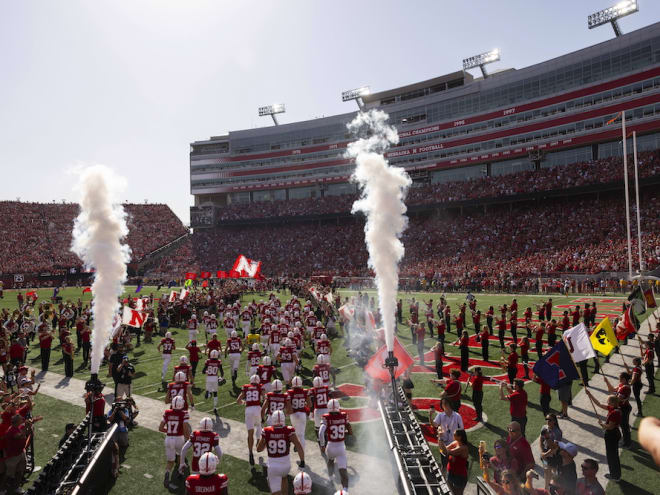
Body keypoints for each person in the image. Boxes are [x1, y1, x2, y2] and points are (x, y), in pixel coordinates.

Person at [256, 410, 305, 495]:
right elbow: (299, 446)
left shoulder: (266, 430)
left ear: (273, 420)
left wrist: (266, 442)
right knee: (284, 477)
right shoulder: (289, 430)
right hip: (285, 466)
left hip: (273, 467)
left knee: (275, 491)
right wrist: (302, 461)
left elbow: (258, 449)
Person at [585, 390, 621, 481]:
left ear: (612, 403)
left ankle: (615, 476)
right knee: (613, 455)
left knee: (612, 456)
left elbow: (610, 427)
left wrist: (602, 424)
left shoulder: (614, 413)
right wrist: (590, 394)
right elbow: (599, 404)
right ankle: (615, 474)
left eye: (608, 401)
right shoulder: (614, 409)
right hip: (614, 434)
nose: (607, 403)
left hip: (612, 435)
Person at [318, 399, 352, 493]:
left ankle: (330, 479)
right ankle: (345, 490)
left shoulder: (326, 417)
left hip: (331, 446)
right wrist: (350, 434)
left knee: (330, 461)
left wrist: (322, 445)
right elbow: (349, 426)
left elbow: (321, 433)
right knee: (343, 470)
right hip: (341, 447)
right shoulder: (344, 415)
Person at [160, 395, 191, 489]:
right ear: (182, 404)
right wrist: (188, 439)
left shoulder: (167, 412)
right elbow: (185, 429)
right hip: (179, 438)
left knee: (170, 461)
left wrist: (169, 431)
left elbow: (160, 428)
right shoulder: (184, 413)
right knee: (181, 456)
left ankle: (167, 474)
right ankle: (180, 472)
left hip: (168, 439)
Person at [430, 397, 464, 468]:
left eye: (445, 403)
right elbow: (434, 424)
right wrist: (430, 415)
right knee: (444, 463)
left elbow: (462, 430)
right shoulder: (440, 415)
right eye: (442, 403)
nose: (444, 405)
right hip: (443, 444)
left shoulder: (457, 416)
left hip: (454, 444)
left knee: (454, 465)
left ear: (450, 404)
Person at [237, 374, 263, 466]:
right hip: (257, 408)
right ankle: (258, 439)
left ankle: (250, 452)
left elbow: (238, 400)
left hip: (248, 410)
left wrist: (243, 402)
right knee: (259, 425)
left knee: (250, 433)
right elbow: (264, 397)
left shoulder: (246, 387)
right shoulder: (260, 387)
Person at [603, 372, 632, 447]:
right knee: (623, 425)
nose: (619, 379)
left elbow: (618, 399)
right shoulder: (621, 385)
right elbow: (612, 390)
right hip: (622, 408)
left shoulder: (626, 388)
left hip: (624, 409)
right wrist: (607, 382)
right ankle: (626, 440)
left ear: (624, 379)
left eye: (620, 378)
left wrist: (610, 399)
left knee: (624, 426)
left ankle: (627, 443)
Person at [438, 428, 468, 495]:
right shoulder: (455, 443)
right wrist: (439, 437)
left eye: (454, 435)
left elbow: (445, 451)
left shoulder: (463, 448)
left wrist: (440, 438)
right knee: (451, 491)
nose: (453, 436)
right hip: (450, 472)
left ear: (460, 437)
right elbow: (442, 450)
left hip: (460, 476)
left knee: (458, 494)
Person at [287, 376, 311, 452]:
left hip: (293, 414)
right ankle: (302, 453)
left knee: (295, 430)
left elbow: (287, 405)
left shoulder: (289, 392)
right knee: (301, 435)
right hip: (302, 414)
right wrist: (305, 408)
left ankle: (296, 445)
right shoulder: (305, 391)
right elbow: (310, 404)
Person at [202, 350, 225, 416]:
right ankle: (215, 407)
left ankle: (208, 393)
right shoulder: (218, 362)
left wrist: (207, 372)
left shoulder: (208, 361)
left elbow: (203, 371)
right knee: (215, 393)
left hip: (209, 378)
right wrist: (221, 378)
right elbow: (222, 371)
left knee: (208, 392)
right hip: (215, 378)